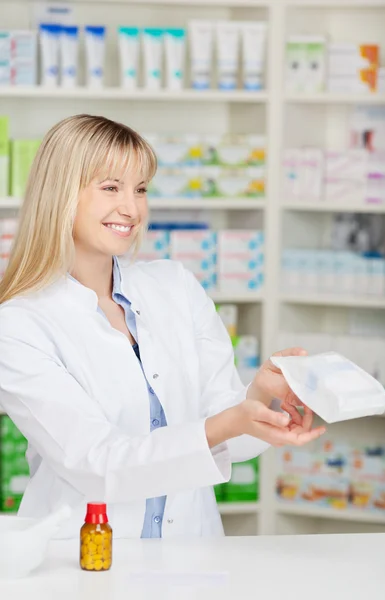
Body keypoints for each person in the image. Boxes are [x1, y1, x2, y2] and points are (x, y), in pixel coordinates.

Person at [0, 115, 325, 539]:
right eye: (110, 187)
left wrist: (262, 397)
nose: (132, 208)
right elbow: (96, 464)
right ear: (60, 193)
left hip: (192, 551)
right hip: (81, 557)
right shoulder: (19, 323)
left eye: (140, 189)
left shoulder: (175, 286)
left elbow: (233, 439)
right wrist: (227, 424)